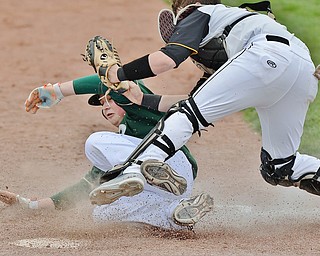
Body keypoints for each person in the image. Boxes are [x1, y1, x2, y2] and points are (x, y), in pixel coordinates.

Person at [88, 0, 320, 205]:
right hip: (302, 73)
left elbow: (166, 61)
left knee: (187, 115)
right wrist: (140, 98)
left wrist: (117, 73)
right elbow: (193, 102)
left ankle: (135, 168)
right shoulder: (234, 31)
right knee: (279, 168)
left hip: (264, 56)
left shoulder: (198, 12)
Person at [0, 75, 213, 230]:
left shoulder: (141, 106)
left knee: (94, 141)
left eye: (109, 100)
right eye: (102, 104)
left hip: (176, 166)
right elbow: (86, 186)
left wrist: (57, 90)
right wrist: (31, 205)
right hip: (170, 190)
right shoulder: (120, 147)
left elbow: (111, 81)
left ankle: (150, 171)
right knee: (103, 213)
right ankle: (176, 213)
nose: (106, 107)